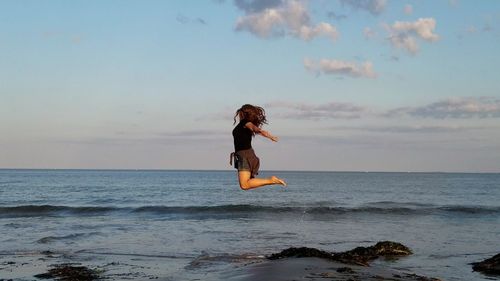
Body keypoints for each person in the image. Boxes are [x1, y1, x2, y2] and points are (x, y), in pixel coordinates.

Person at [230, 104, 286, 190]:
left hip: (244, 155)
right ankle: (271, 180)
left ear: (244, 114)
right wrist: (268, 136)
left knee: (245, 185)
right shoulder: (243, 124)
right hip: (245, 154)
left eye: (241, 112)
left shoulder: (246, 123)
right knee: (246, 184)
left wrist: (269, 136)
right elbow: (256, 130)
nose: (239, 114)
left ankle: (271, 180)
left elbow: (255, 128)